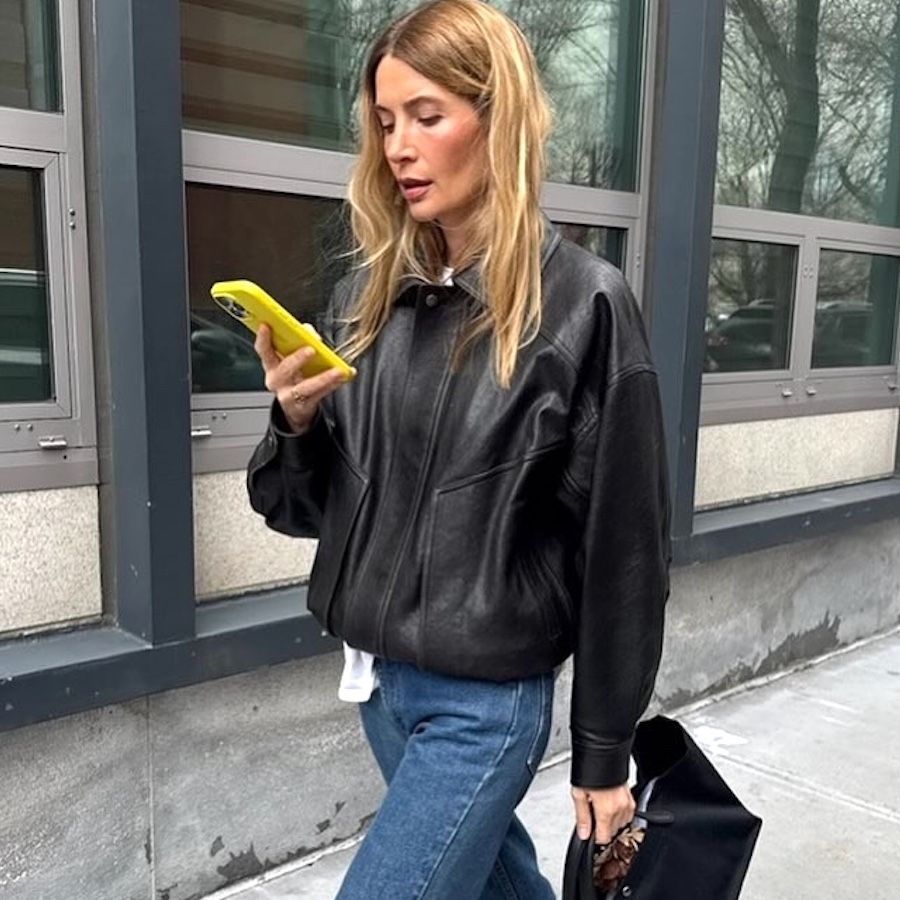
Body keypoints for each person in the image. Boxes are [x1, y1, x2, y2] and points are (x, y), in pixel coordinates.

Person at [247, 1, 671, 897]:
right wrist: (294, 423)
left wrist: (605, 752)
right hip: (380, 688)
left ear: (498, 120)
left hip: (485, 704)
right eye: (386, 121)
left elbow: (624, 551)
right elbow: (297, 510)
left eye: (428, 117)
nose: (398, 146)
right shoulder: (370, 300)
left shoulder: (584, 305)